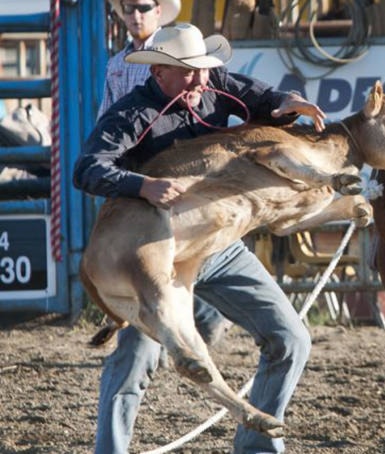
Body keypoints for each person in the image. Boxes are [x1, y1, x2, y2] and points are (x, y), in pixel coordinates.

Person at [75, 23, 326, 454]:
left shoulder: (215, 82)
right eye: (187, 72)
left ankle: (255, 448)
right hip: (157, 256)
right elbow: (87, 168)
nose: (200, 79)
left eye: (203, 69)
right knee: (135, 360)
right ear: (159, 74)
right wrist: (141, 185)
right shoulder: (132, 114)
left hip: (218, 244)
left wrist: (288, 102)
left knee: (292, 339)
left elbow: (265, 99)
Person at [95, 3, 233, 452]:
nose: (135, 14)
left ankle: (195, 327)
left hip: (195, 216)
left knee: (179, 323)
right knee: (137, 347)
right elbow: (106, 130)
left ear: (158, 12)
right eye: (129, 7)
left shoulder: (188, 61)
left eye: (143, 6)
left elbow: (242, 91)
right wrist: (129, 179)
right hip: (148, 208)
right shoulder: (120, 70)